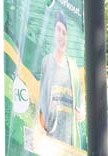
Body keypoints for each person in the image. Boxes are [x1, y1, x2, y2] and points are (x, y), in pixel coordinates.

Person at [37, 11, 84, 146]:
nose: (61, 36)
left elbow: (80, 108)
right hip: (51, 138)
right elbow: (42, 99)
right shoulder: (47, 62)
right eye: (58, 30)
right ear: (52, 33)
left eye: (64, 32)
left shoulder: (73, 68)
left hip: (70, 144)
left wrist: (82, 113)